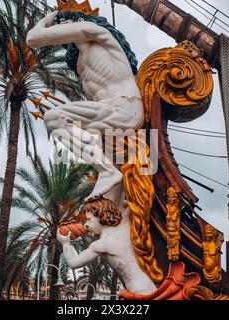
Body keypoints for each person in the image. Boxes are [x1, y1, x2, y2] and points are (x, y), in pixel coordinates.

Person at [26, 10, 144, 200]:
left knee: (54, 117)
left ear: (79, 21)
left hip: (125, 107)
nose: (60, 29)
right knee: (112, 201)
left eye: (63, 24)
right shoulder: (82, 63)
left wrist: (47, 21)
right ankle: (108, 175)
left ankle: (107, 171)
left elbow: (32, 39)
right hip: (109, 117)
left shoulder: (95, 31)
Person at [56, 192, 157, 295]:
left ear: (101, 215)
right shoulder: (126, 220)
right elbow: (140, 200)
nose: (86, 225)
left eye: (89, 220)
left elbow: (73, 262)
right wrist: (126, 203)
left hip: (137, 291)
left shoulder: (101, 244)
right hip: (150, 284)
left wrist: (65, 243)